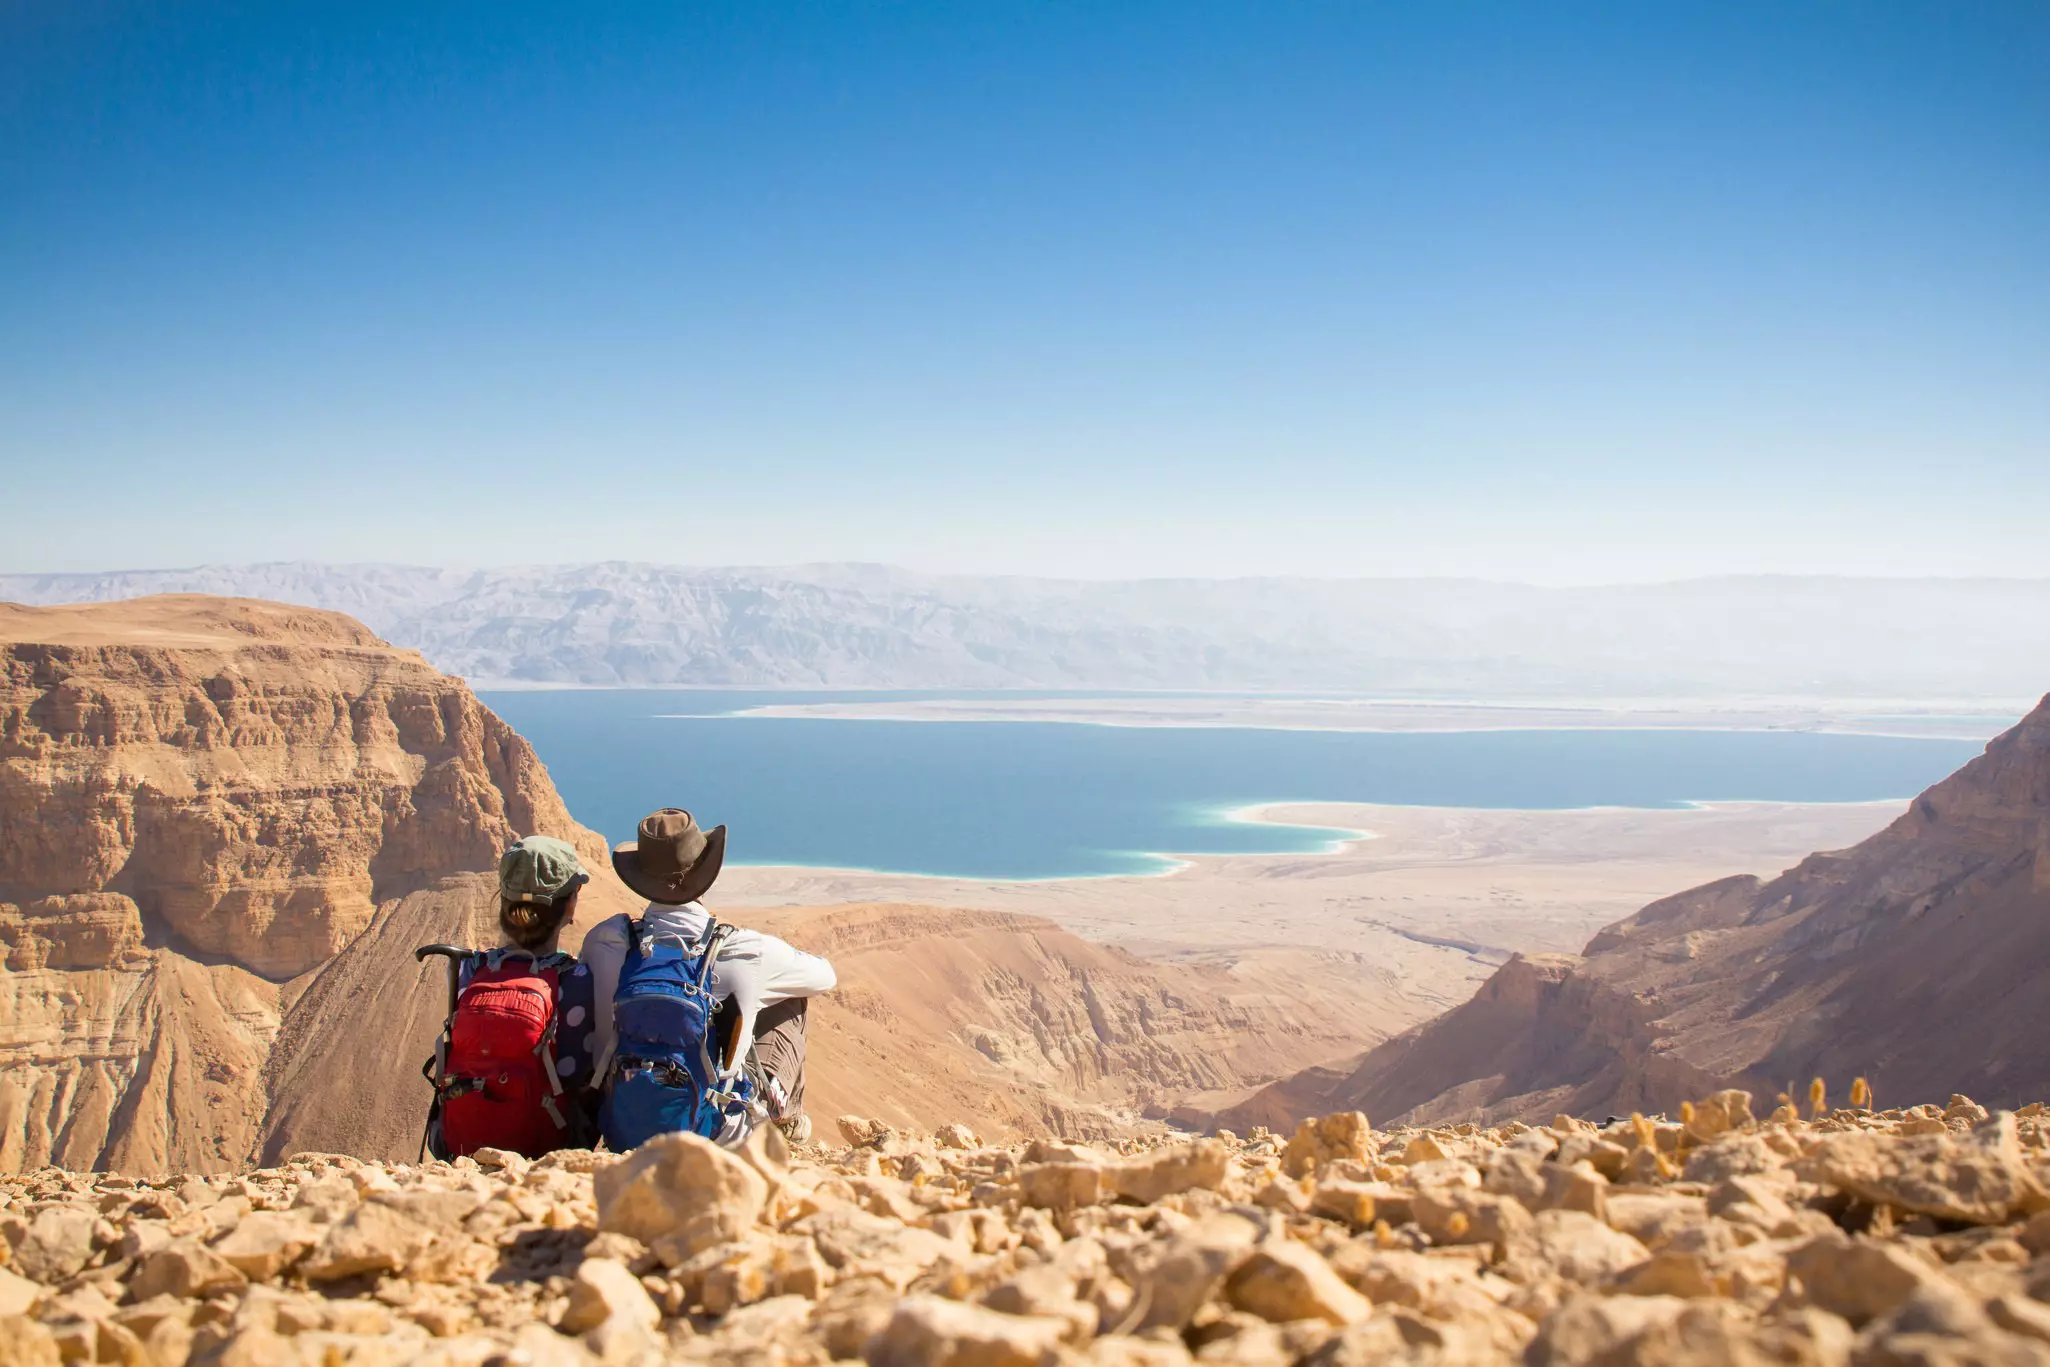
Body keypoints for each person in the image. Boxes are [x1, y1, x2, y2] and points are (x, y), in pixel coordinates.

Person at [582, 808, 835, 1145]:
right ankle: (785, 1123)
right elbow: (824, 977)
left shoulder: (606, 939)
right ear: (706, 875)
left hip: (624, 1128)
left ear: (641, 878)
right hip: (716, 1135)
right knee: (790, 999)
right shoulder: (745, 948)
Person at [423, 834, 599, 1158]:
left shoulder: (469, 969)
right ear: (569, 907)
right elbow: (578, 1076)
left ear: (504, 904)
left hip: (460, 1141)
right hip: (546, 1143)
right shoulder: (576, 980)